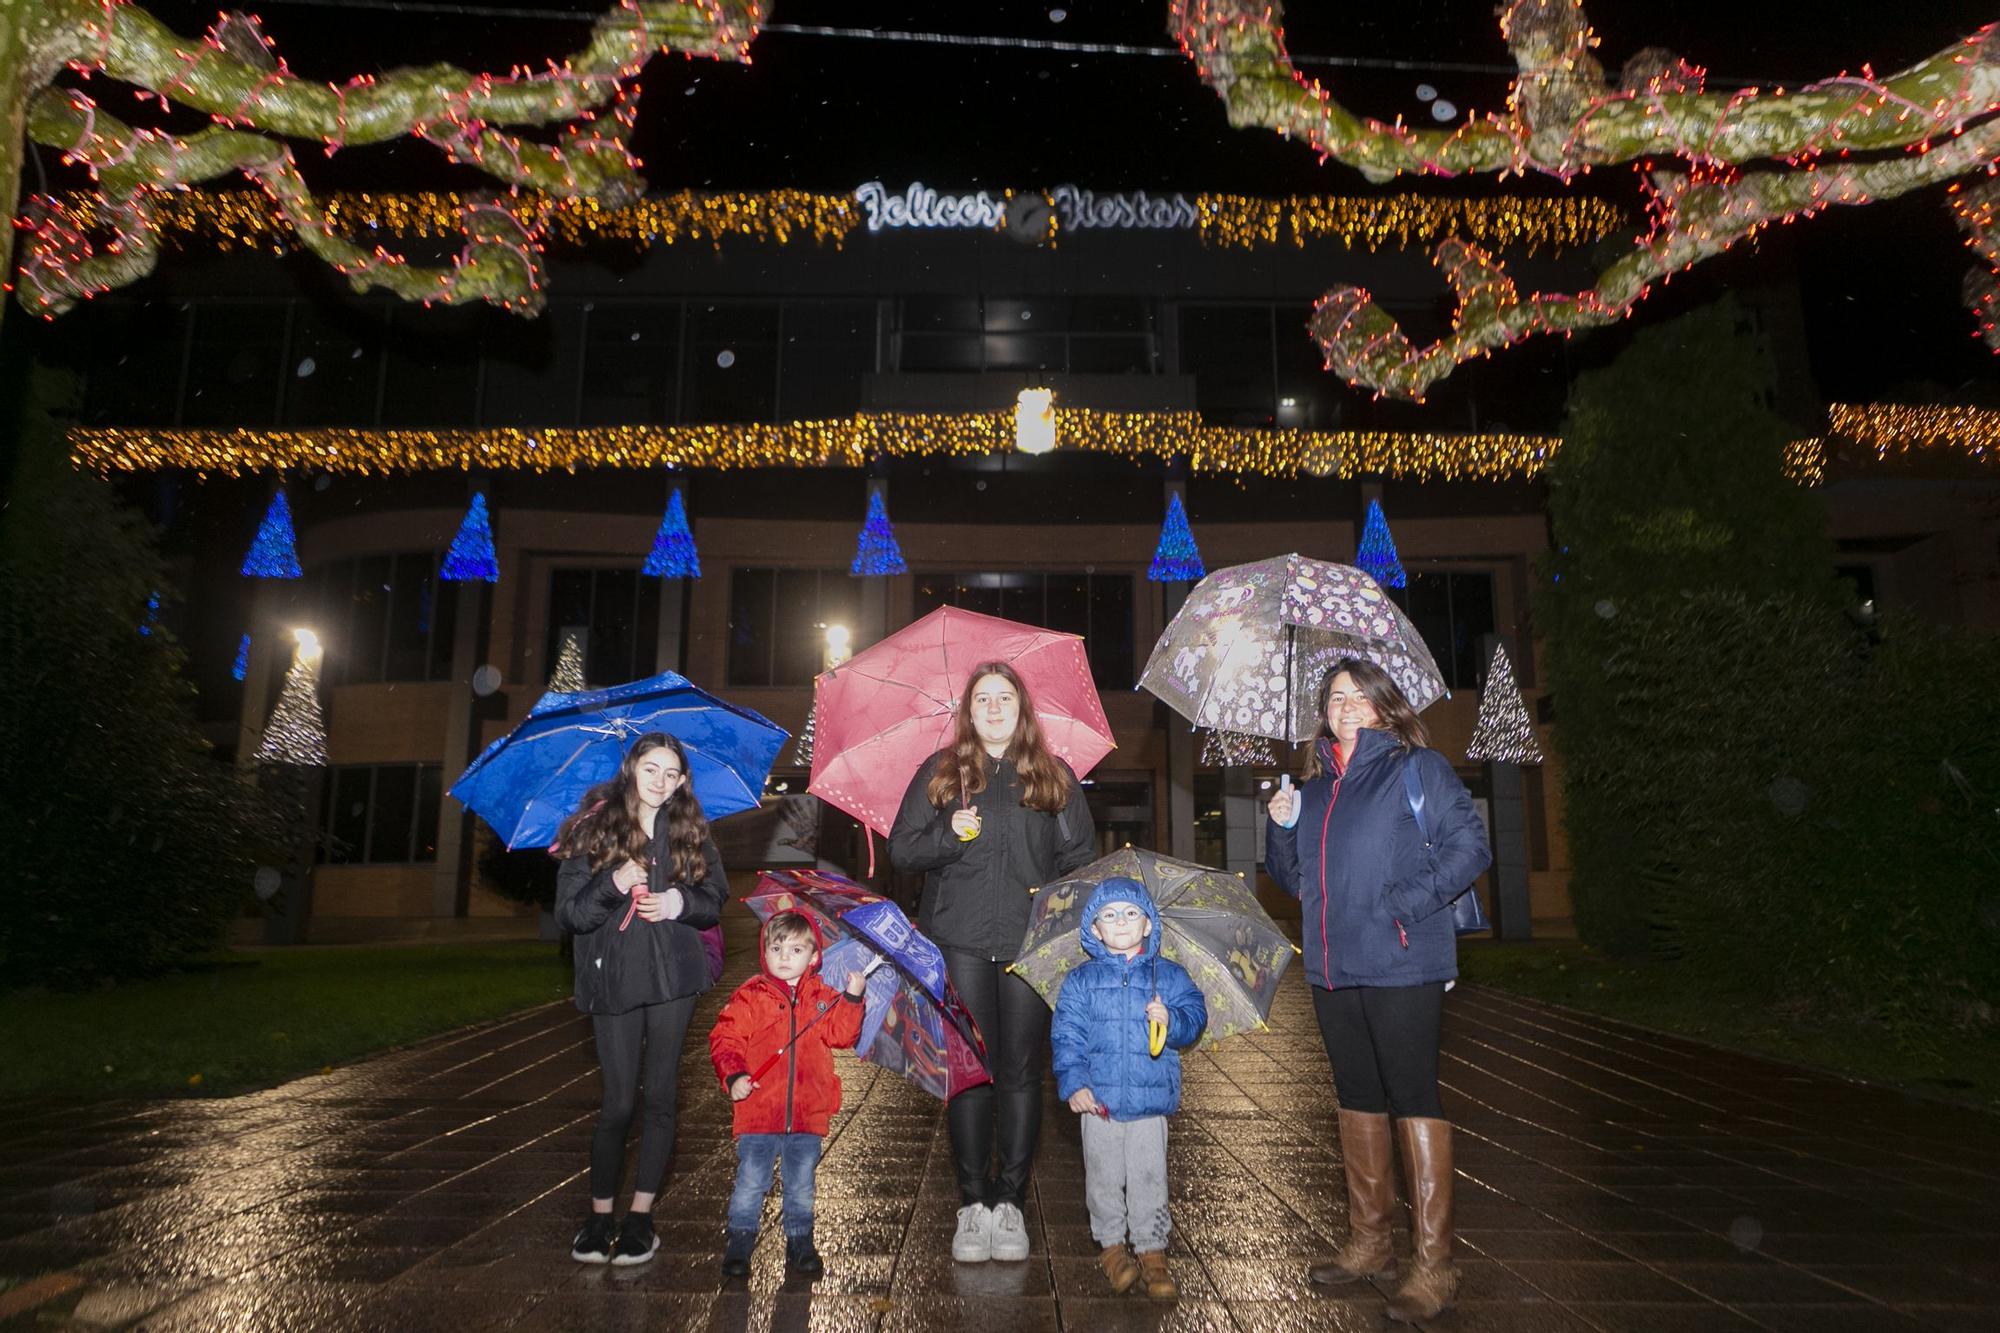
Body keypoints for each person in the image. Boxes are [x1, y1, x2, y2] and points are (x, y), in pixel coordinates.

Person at [1264, 658, 1492, 1323]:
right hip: (1334, 967)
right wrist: (1281, 824)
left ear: (1385, 706)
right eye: (1336, 696)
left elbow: (1469, 846)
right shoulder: (1311, 789)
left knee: (1413, 1094)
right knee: (1357, 1095)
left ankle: (1434, 1263)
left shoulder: (1417, 769)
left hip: (1402, 960)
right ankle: (1370, 1242)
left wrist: (1404, 903)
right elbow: (1293, 878)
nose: (1347, 704)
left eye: (1360, 695)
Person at [888, 660, 1096, 1263]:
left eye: (1005, 697)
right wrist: (950, 833)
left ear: (1021, 708)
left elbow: (1079, 860)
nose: (995, 708)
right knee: (971, 1071)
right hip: (959, 941)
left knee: (1022, 1072)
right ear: (969, 711)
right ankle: (973, 1203)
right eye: (984, 699)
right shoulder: (942, 773)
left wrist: (1057, 922)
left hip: (1030, 946)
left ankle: (1011, 1203)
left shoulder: (1053, 777)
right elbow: (903, 850)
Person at [553, 732, 728, 1266]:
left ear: (682, 781)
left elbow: (714, 899)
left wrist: (679, 900)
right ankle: (599, 1215)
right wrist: (612, 882)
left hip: (673, 978)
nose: (661, 782)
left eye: (672, 773)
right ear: (631, 768)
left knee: (660, 1100)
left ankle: (641, 1219)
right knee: (619, 1103)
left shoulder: (690, 831)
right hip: (616, 982)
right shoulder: (592, 831)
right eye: (652, 769)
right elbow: (571, 915)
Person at [1049, 877, 1207, 1300]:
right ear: (1095, 929)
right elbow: (1067, 1035)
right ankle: (1112, 1247)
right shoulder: (1080, 981)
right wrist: (1074, 1082)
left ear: (1149, 925)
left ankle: (1152, 1251)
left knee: (1149, 1178)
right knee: (1102, 1178)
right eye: (1110, 915)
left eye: (1132, 913)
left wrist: (1171, 1018)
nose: (1121, 922)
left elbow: (1196, 1016)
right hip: (1097, 1102)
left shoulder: (1168, 976)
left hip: (1149, 1102)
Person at [707, 910, 866, 1278]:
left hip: (807, 1112)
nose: (783, 956)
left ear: (813, 957)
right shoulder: (751, 996)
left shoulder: (823, 997)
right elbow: (725, 1038)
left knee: (801, 1185)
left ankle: (800, 1242)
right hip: (759, 1111)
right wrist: (734, 1076)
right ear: (765, 950)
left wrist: (853, 999)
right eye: (776, 947)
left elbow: (842, 1035)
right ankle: (740, 1242)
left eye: (795, 950)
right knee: (751, 1182)